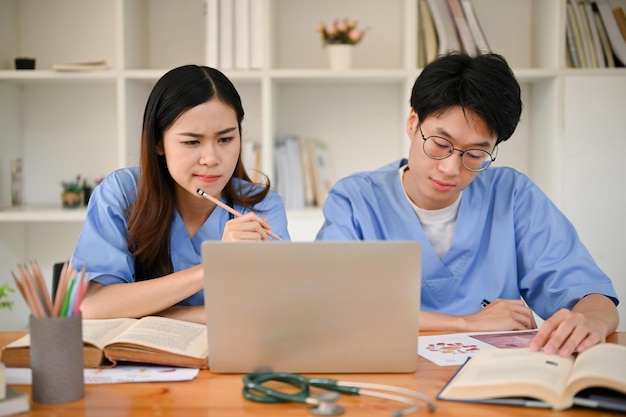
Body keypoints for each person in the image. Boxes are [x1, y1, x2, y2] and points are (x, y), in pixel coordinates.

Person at [316, 52, 619, 357]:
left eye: (475, 154)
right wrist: (466, 322)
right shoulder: (356, 200)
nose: (450, 168)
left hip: (492, 378)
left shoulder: (512, 196)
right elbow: (330, 307)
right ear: (412, 123)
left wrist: (590, 320)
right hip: (388, 373)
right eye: (440, 144)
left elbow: (587, 291)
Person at [72, 65, 290, 323]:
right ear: (157, 142)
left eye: (225, 139)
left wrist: (154, 313)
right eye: (191, 142)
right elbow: (91, 306)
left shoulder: (262, 206)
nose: (211, 159)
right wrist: (214, 265)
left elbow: (272, 312)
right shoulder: (121, 193)